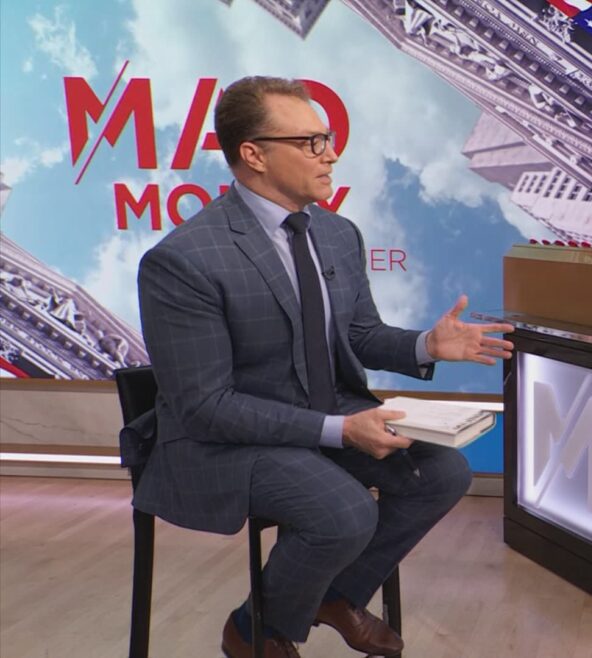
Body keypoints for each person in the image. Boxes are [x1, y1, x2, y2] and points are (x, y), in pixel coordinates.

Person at [132, 76, 514, 658]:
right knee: (343, 511)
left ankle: (330, 596)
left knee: (441, 473)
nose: (330, 154)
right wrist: (341, 429)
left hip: (321, 416)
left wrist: (427, 346)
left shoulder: (335, 234)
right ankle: (254, 632)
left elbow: (357, 335)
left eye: (327, 138)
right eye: (310, 142)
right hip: (222, 442)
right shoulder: (184, 260)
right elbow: (206, 407)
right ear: (253, 154)